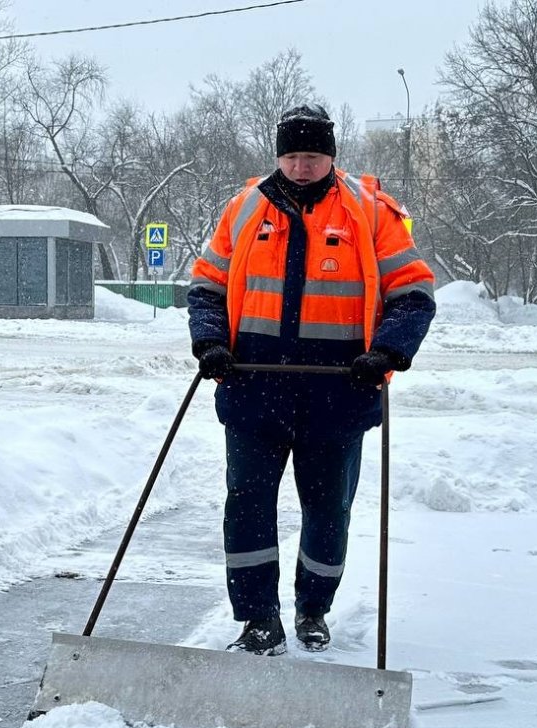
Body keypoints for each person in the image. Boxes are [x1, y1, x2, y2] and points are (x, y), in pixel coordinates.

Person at [187, 104, 436, 656]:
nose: (302, 167)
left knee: (327, 510)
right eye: (294, 156)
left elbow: (414, 293)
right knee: (247, 504)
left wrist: (388, 352)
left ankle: (312, 609)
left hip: (339, 393)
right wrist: (210, 342)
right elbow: (207, 284)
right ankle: (257, 620)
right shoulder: (245, 208)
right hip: (253, 388)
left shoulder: (371, 213)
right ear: (279, 155)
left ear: (331, 156)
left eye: (314, 156)